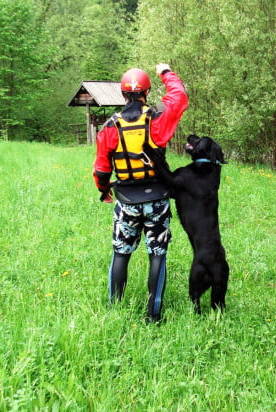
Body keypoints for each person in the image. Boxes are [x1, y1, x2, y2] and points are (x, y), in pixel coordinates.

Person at [93, 64, 188, 323]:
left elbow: (102, 169)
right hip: (157, 198)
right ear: (147, 91)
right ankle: (154, 315)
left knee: (121, 252)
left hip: (126, 201)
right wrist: (166, 72)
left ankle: (115, 310)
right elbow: (179, 96)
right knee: (157, 253)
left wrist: (104, 191)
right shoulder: (159, 117)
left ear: (123, 95)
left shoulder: (110, 127)